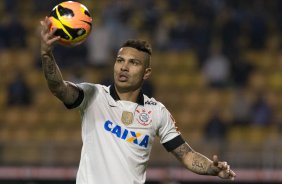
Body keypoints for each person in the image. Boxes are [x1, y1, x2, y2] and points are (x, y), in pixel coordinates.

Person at [40, 17, 236, 184]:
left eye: (133, 63)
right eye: (120, 60)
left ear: (146, 73)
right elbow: (59, 88)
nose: (124, 67)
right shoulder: (94, 95)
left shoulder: (157, 112)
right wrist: (47, 54)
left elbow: (186, 154)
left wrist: (212, 168)